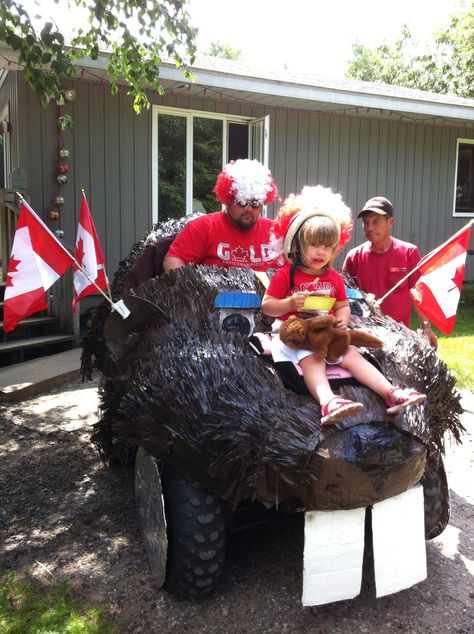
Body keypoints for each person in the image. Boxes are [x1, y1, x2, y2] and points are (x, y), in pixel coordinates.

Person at [262, 186, 426, 425]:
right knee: (312, 357)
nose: (321, 252)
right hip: (297, 335)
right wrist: (288, 303)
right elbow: (267, 307)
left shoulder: (333, 278)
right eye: (314, 245)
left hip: (327, 331)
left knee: (352, 354)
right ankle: (328, 400)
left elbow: (341, 305)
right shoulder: (286, 275)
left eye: (327, 247)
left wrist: (343, 317)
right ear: (298, 245)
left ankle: (391, 393)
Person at [342, 196, 438, 348]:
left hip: (400, 334)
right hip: (366, 335)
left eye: (375, 221)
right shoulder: (354, 257)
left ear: (390, 223)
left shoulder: (408, 252)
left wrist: (426, 327)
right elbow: (344, 298)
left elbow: (418, 294)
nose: (369, 227)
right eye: (365, 222)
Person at [163, 159, 280, 273]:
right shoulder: (204, 227)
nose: (249, 209)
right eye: (242, 202)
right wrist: (190, 289)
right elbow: (173, 260)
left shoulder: (275, 232)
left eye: (255, 204)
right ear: (228, 199)